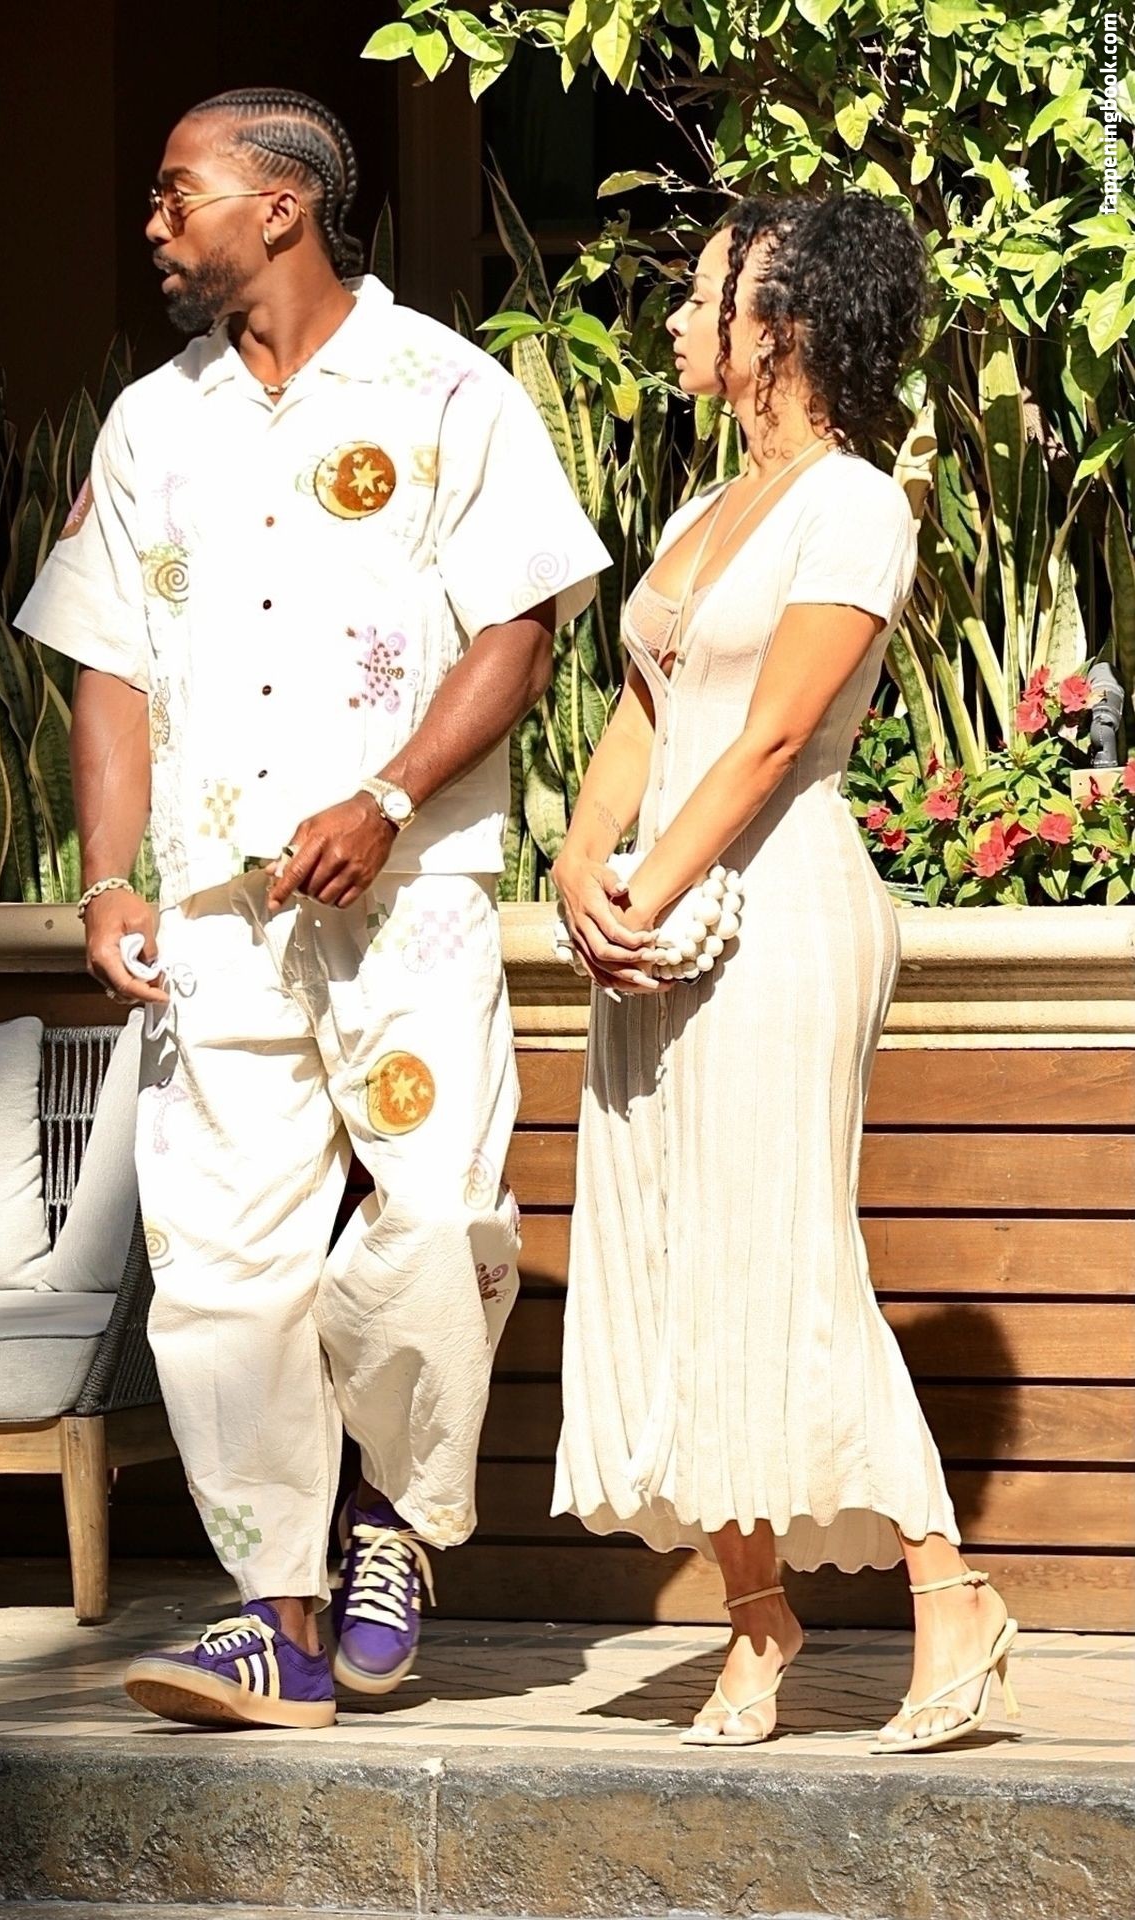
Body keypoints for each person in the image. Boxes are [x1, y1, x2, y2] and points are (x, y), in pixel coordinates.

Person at [17, 87, 609, 1730]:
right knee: (219, 1261)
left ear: (279, 206)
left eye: (178, 193)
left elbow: (520, 627)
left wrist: (391, 796)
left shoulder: (447, 389)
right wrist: (110, 878)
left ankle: (391, 1520)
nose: (153, 223)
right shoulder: (150, 425)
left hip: (410, 894)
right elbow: (108, 664)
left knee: (437, 1216)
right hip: (216, 915)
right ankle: (274, 1611)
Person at [551, 193, 1020, 1756]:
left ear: (784, 324)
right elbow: (644, 714)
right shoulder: (702, 513)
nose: (683, 322)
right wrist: (580, 865)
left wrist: (645, 893)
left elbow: (767, 740)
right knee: (676, 1259)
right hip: (659, 921)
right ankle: (757, 1624)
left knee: (786, 1256)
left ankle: (954, 1596)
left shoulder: (855, 507)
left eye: (708, 296)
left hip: (780, 910)